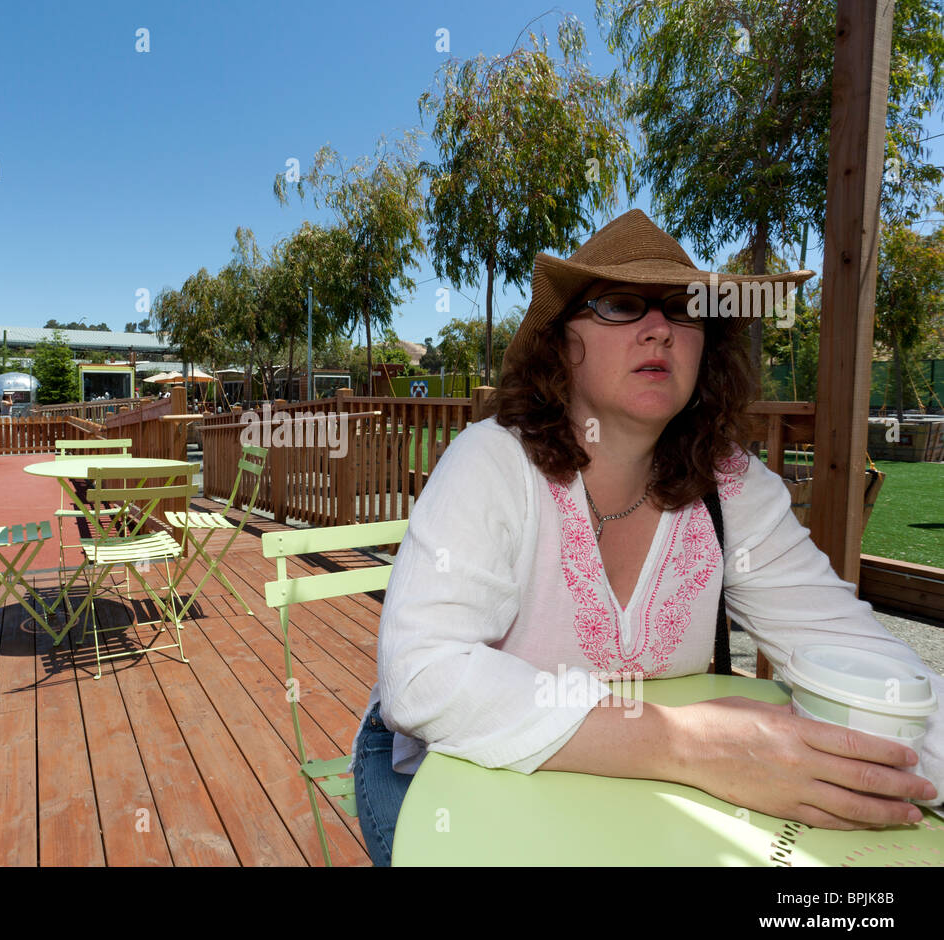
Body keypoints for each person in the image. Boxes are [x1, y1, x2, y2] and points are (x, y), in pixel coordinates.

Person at [352, 210, 943, 867]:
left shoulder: (732, 487)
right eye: (623, 305)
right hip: (440, 772)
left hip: (630, 802)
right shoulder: (492, 463)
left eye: (685, 309)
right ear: (561, 342)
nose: (660, 328)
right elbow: (424, 680)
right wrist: (692, 747)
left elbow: (853, 653)